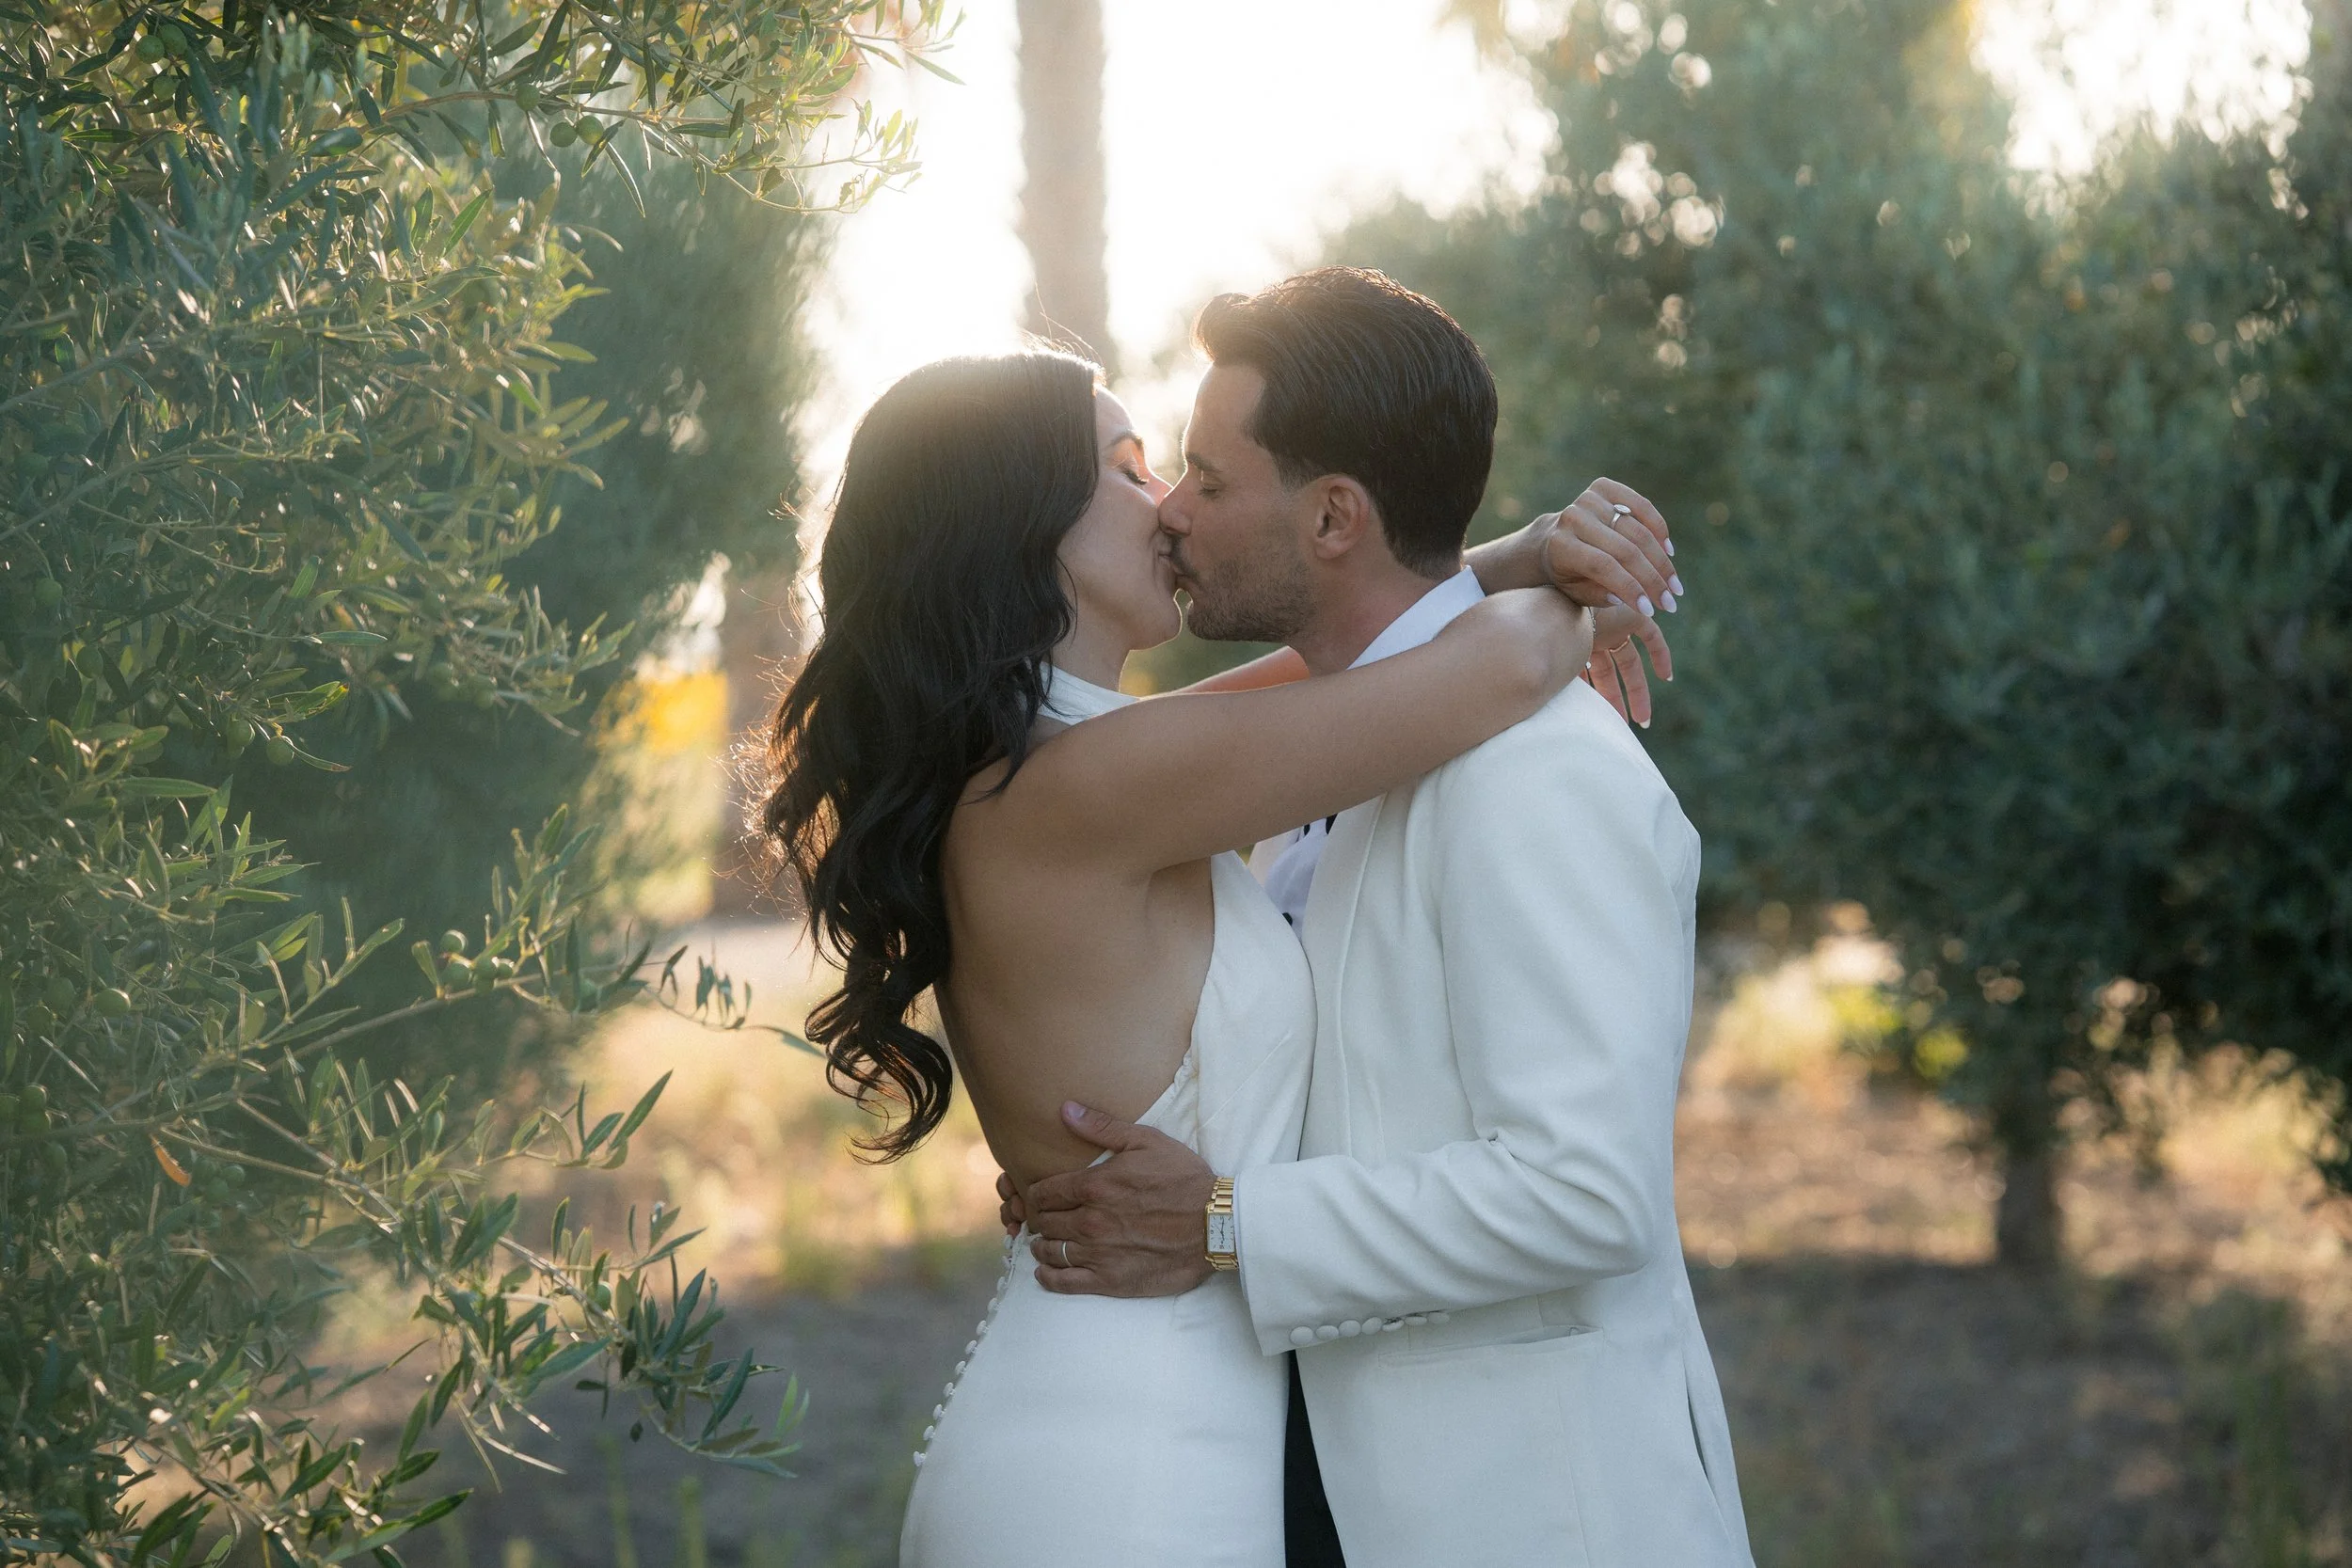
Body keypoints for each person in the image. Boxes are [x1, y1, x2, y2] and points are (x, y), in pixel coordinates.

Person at [758, 330, 1677, 1564]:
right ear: (1028, 528)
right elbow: (1491, 662)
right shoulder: (1088, 784)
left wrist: (1508, 558)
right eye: (1136, 471)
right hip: (1126, 1469)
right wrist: (1583, 590)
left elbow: (1345, 662)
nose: (1174, 510)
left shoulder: (1077, 764)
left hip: (1156, 1424)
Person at [1009, 269, 1756, 1568]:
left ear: (1337, 517)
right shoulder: (1330, 755)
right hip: (1329, 1491)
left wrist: (1228, 1220)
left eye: (1208, 478)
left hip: (1536, 1520)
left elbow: (1587, 1191)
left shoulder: (1537, 770)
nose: (1175, 514)